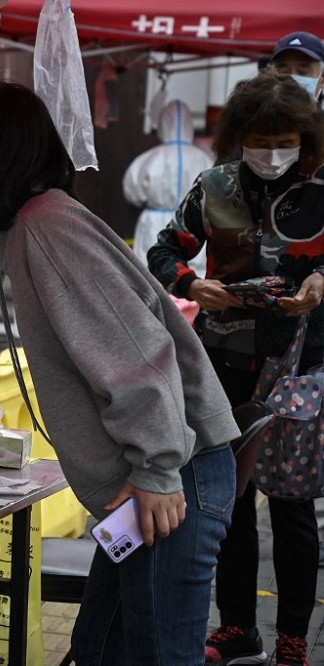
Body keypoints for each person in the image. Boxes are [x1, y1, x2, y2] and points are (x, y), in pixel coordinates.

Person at [0, 81, 239, 665]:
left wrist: (157, 469)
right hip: (147, 486)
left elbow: (136, 356)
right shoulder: (30, 230)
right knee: (98, 651)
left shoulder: (48, 229)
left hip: (169, 484)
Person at [148, 71, 324, 666]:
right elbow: (163, 250)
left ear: (304, 138)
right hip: (221, 360)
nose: (272, 155)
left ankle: (295, 636)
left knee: (293, 501)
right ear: (239, 138)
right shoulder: (213, 185)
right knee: (228, 496)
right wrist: (193, 281)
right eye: (260, 141)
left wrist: (320, 282)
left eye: (285, 142)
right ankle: (237, 626)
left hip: (300, 368)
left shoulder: (321, 190)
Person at [123, 99, 213, 278]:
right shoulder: (205, 159)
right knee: (192, 277)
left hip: (153, 223)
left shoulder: (148, 159)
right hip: (192, 223)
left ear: (162, 125)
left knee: (150, 276)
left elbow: (132, 192)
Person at [269, 31, 324, 108]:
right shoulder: (253, 117)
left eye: (302, 72)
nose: (292, 79)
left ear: (322, 80)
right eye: (283, 72)